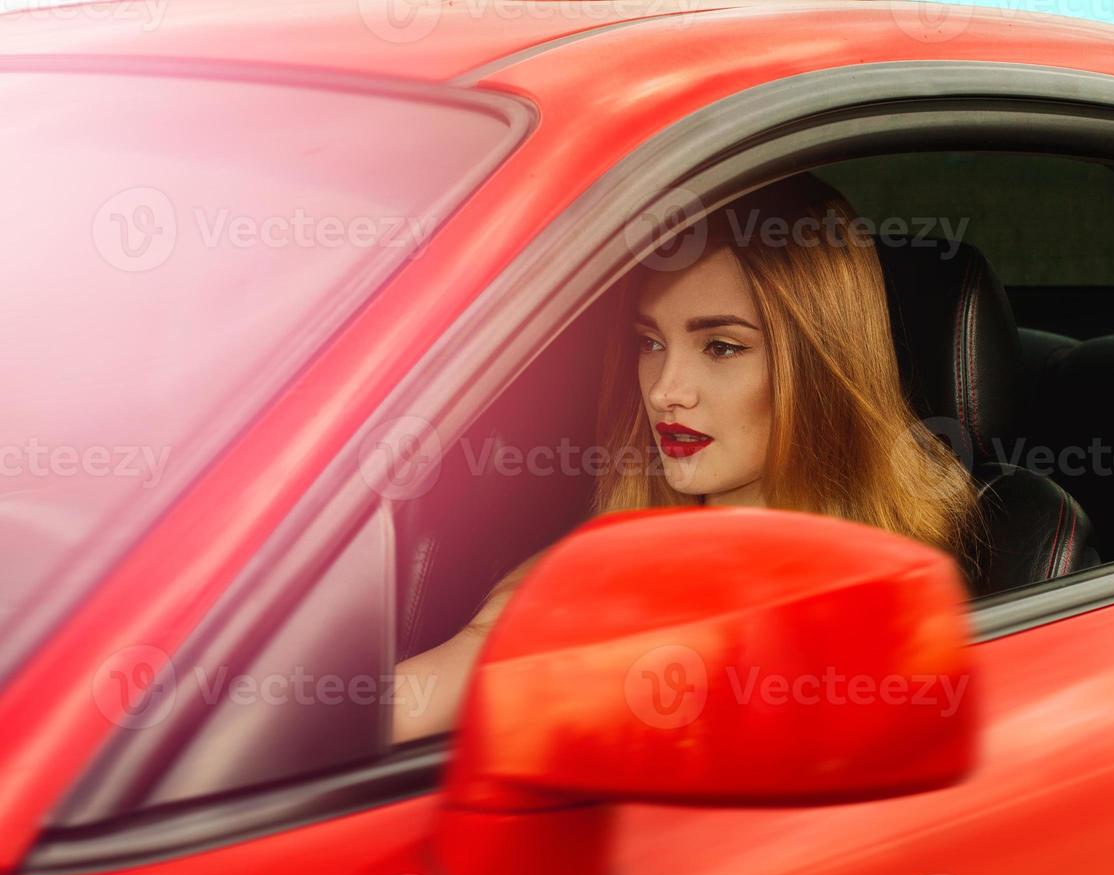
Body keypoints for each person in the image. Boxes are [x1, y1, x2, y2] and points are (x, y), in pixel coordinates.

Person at [392, 173, 982, 742]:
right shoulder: (609, 557)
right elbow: (425, 692)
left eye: (721, 347)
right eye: (650, 342)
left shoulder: (892, 593)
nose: (664, 390)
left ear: (819, 364)